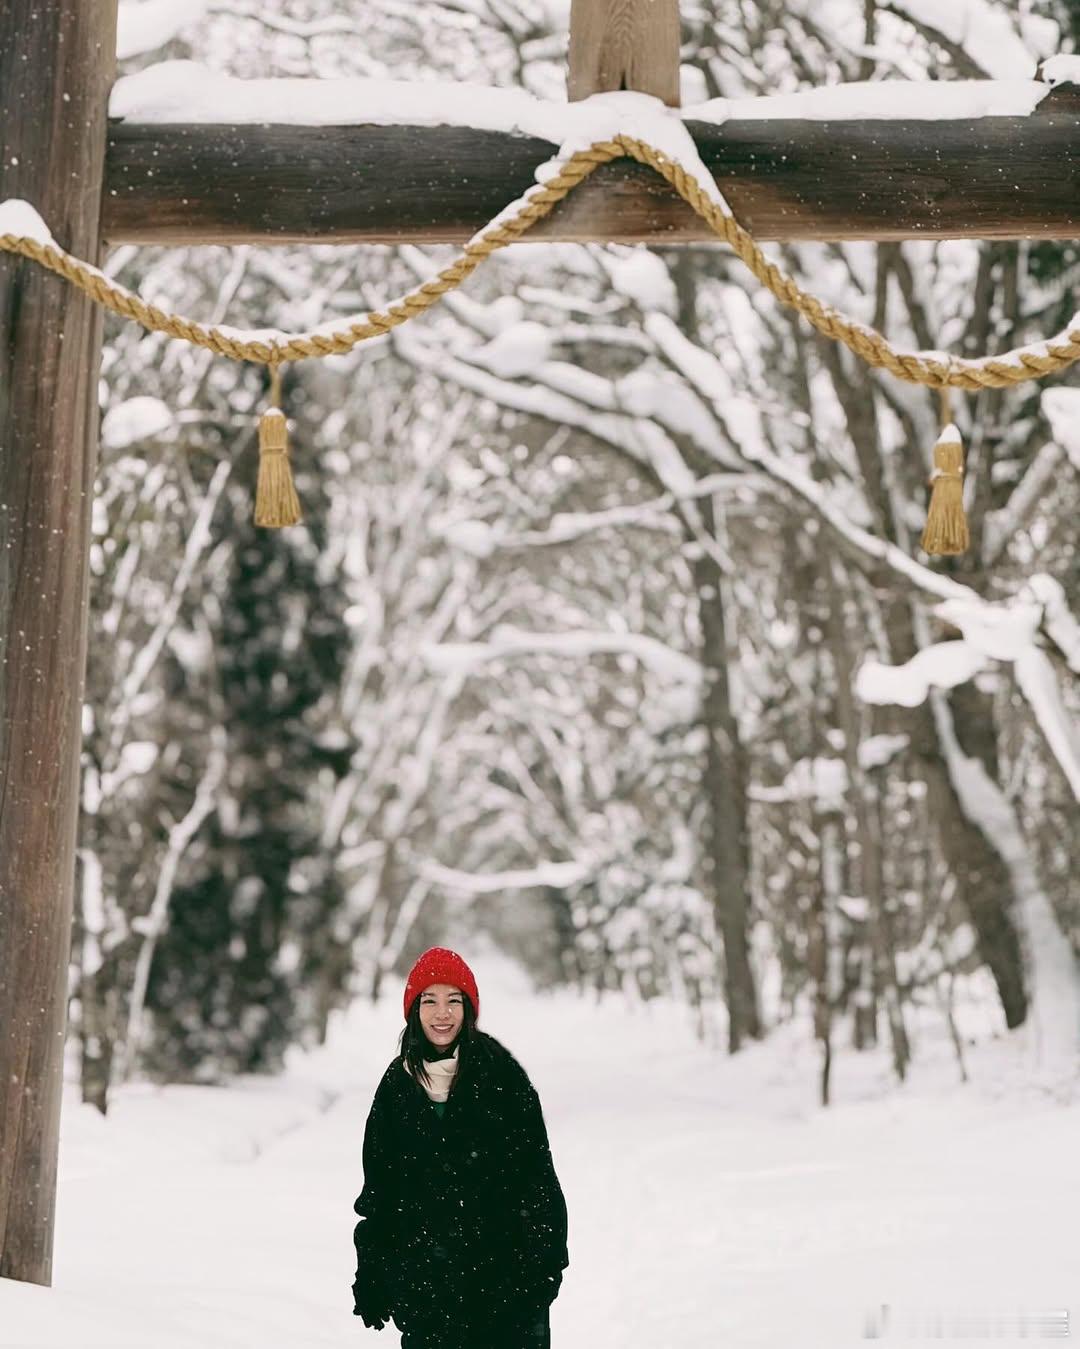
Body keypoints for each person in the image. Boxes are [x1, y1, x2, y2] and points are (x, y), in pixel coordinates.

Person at [351, 946, 569, 1348]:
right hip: (429, 1295)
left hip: (506, 1292)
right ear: (414, 1009)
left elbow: (538, 1181)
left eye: (454, 1000)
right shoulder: (397, 1088)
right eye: (429, 1000)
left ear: (469, 1010)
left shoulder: (503, 1077)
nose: (442, 1013)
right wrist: (374, 1271)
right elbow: (381, 1191)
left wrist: (543, 1271)